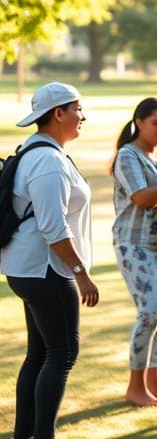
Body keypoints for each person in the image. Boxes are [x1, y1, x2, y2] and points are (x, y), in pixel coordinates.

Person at [1, 83, 99, 439]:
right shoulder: (47, 160)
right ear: (59, 113)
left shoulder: (39, 151)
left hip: (32, 269)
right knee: (62, 353)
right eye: (77, 109)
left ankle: (25, 434)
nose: (82, 116)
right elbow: (53, 228)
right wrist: (82, 275)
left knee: (40, 354)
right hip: (46, 270)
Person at [111, 97, 157, 407]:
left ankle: (154, 382)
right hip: (133, 244)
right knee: (149, 312)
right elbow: (141, 198)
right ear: (139, 122)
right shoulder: (127, 155)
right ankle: (135, 385)